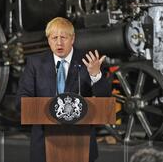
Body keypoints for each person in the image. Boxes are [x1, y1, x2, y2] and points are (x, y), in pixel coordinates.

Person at [16, 17, 111, 162]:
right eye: (54, 38)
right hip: (43, 146)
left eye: (63, 37)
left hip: (81, 144)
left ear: (72, 39)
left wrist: (96, 75)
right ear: (48, 40)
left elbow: (105, 99)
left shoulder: (88, 62)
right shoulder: (35, 63)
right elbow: (21, 102)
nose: (59, 42)